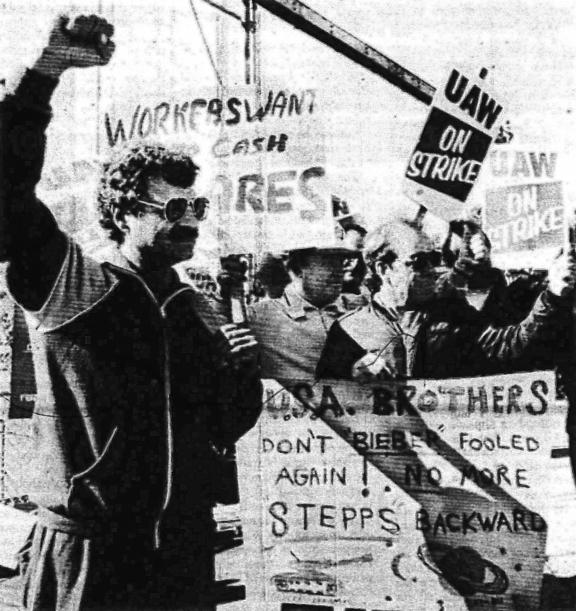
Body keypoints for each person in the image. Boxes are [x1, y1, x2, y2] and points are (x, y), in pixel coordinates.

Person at [0, 14, 262, 610]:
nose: (191, 221)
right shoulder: (79, 284)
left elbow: (216, 429)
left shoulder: (197, 305)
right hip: (94, 550)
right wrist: (44, 76)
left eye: (197, 205)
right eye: (172, 208)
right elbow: (7, 202)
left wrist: (239, 376)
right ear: (123, 213)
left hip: (183, 546)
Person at [317, 220, 576, 381]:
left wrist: (553, 295)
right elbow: (319, 402)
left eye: (432, 259)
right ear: (384, 269)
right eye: (418, 262)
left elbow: (511, 345)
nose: (430, 269)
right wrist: (351, 372)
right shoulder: (348, 329)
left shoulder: (453, 315)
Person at [248, 247, 349, 382]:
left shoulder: (362, 308)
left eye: (340, 262)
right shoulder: (259, 316)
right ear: (298, 269)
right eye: (327, 262)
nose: (338, 271)